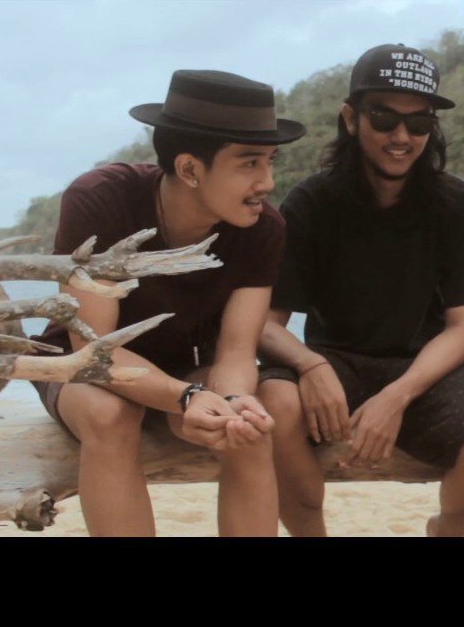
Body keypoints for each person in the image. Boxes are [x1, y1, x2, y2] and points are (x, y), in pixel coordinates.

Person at [32, 69, 306, 536]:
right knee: (111, 416)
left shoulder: (263, 228)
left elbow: (237, 352)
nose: (267, 181)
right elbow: (94, 349)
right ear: (190, 169)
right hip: (83, 368)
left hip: (186, 368)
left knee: (246, 427)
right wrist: (187, 397)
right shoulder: (100, 200)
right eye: (249, 164)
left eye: (270, 161)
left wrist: (232, 401)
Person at [257, 44, 464, 537]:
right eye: (384, 118)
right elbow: (264, 324)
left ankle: (443, 531)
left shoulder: (457, 204)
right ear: (350, 118)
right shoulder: (312, 203)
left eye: (419, 123)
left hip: (426, 367)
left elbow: (463, 331)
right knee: (276, 402)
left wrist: (396, 397)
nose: (401, 136)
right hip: (333, 359)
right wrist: (309, 365)